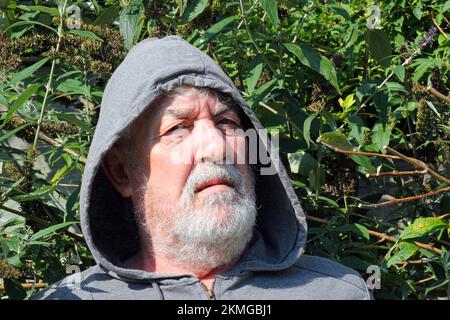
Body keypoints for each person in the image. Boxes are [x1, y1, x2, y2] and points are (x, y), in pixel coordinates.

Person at [34, 36, 371, 300]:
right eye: (178, 128)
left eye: (226, 122)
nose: (217, 146)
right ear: (123, 171)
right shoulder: (72, 299)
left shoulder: (337, 291)